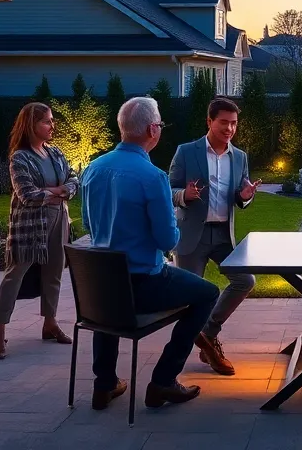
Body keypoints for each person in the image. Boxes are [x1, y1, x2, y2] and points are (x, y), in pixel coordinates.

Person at [80, 97, 220, 410]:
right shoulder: (152, 177)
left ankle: (104, 385)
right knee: (208, 293)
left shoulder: (92, 169)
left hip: (100, 288)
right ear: (152, 129)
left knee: (108, 303)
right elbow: (167, 240)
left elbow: (89, 223)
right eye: (160, 125)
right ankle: (163, 381)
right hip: (141, 285)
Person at [168, 97, 261, 376]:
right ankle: (174, 366)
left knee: (245, 279)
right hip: (191, 236)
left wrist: (244, 198)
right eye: (224, 122)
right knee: (192, 297)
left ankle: (208, 333)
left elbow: (240, 195)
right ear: (209, 121)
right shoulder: (186, 152)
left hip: (222, 235)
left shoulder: (240, 156)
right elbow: (168, 189)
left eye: (234, 123)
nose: (230, 128)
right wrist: (185, 195)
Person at [0, 102, 76, 360]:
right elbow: (27, 194)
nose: (53, 125)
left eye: (51, 120)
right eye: (47, 121)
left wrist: (60, 191)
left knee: (54, 273)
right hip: (30, 224)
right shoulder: (20, 157)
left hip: (59, 219)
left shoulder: (55, 153)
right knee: (14, 275)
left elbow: (74, 179)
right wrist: (57, 192)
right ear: (32, 125)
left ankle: (50, 324)